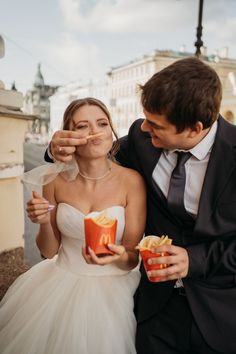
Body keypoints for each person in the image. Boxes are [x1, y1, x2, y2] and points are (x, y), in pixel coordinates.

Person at [45, 57, 236, 354]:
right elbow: (92, 157)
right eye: (145, 118)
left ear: (195, 128)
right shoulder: (141, 138)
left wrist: (194, 259)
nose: (144, 127)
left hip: (220, 314)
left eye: (156, 124)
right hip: (153, 311)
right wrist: (54, 147)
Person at [0, 98, 146, 354]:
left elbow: (132, 257)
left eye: (102, 123)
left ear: (111, 131)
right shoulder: (54, 180)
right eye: (82, 126)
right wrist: (44, 221)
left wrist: (120, 255)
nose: (94, 131)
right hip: (60, 280)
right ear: (67, 136)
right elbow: (49, 251)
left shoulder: (132, 181)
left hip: (114, 284)